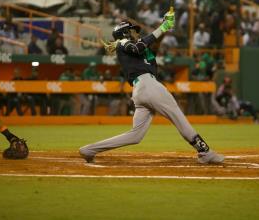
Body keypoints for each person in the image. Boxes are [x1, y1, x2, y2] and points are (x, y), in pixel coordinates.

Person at [79, 12, 224, 164]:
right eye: (133, 31)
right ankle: (204, 151)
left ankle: (88, 150)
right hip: (148, 86)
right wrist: (162, 27)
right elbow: (139, 47)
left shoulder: (138, 49)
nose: (136, 33)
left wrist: (165, 26)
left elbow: (151, 44)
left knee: (136, 136)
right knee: (178, 116)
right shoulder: (123, 43)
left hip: (142, 90)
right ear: (124, 32)